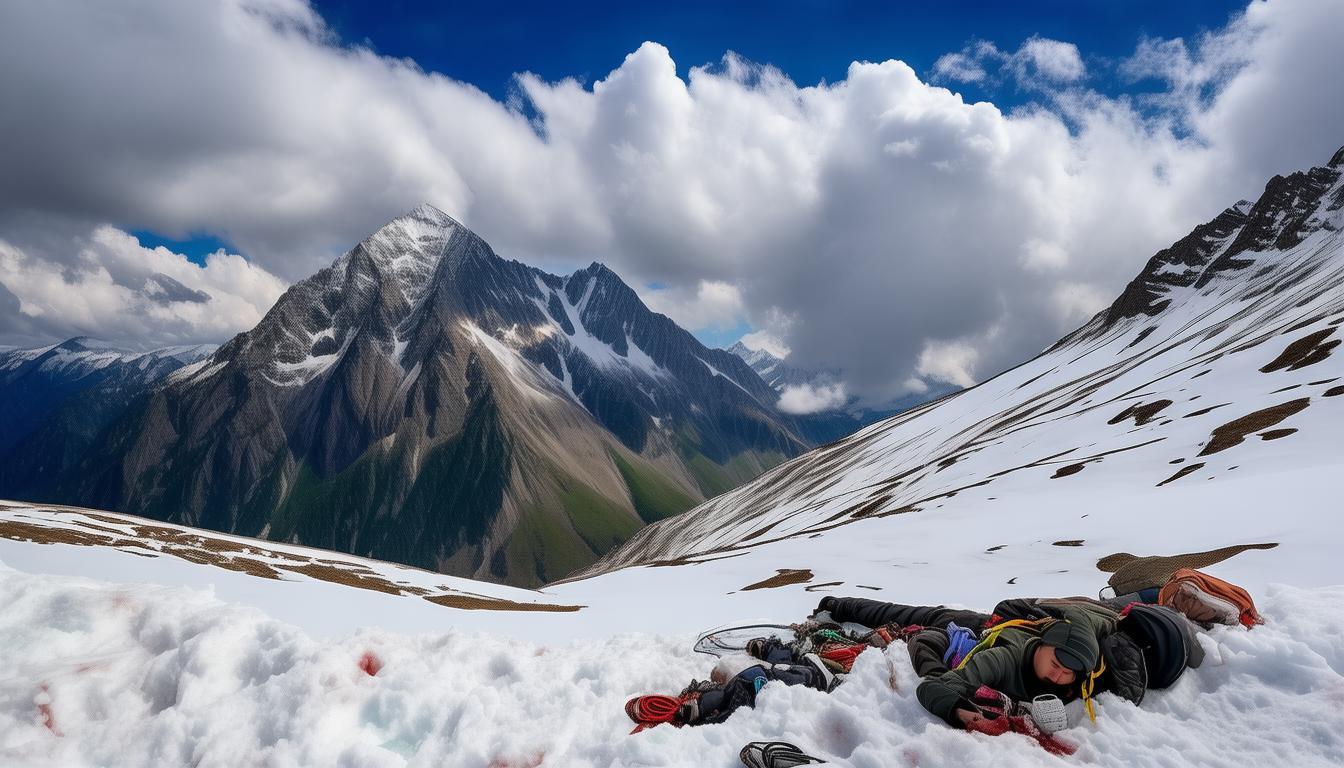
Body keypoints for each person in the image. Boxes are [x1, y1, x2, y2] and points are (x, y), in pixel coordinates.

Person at [815, 595, 1120, 727]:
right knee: (909, 616)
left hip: (1010, 628)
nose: (1058, 676)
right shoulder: (1004, 658)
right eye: (1055, 664)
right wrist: (960, 711)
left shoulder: (1085, 671)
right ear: (1043, 645)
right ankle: (838, 605)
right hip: (979, 628)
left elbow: (1100, 621)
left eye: (1067, 673)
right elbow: (933, 688)